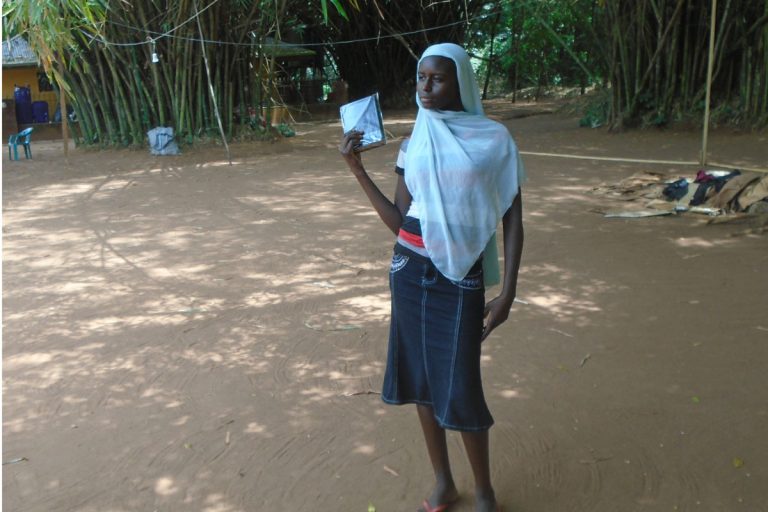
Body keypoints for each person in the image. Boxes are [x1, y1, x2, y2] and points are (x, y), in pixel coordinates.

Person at [339, 43, 524, 512]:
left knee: (460, 383)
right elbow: (399, 218)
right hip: (408, 270)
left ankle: (484, 491)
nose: (425, 87)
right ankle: (444, 482)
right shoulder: (415, 140)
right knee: (421, 380)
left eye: (437, 78)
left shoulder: (494, 140)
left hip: (459, 278)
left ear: (461, 82)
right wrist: (358, 171)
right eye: (421, 77)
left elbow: (512, 218)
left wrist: (507, 291)